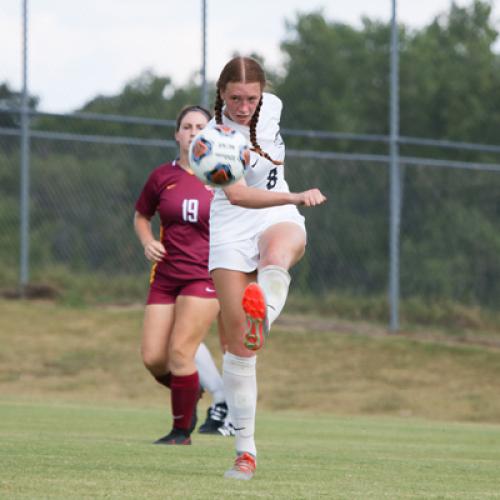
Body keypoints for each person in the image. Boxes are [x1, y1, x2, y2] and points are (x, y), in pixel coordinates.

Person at [206, 56, 327, 479]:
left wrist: (289, 205)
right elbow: (238, 197)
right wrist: (294, 197)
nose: (244, 106)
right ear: (220, 93)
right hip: (232, 228)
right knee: (240, 349)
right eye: (235, 98)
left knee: (280, 255)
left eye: (251, 98)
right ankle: (246, 452)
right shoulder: (211, 138)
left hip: (276, 218)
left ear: (263, 93)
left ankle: (265, 314)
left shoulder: (272, 106)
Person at [134, 105, 229, 445]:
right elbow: (142, 216)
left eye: (200, 126)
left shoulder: (222, 177)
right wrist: (147, 242)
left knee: (180, 353)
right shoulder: (162, 176)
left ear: (211, 134)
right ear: (177, 134)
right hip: (165, 277)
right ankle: (192, 390)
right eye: (186, 126)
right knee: (153, 359)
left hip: (203, 278)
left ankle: (180, 432)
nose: (192, 132)